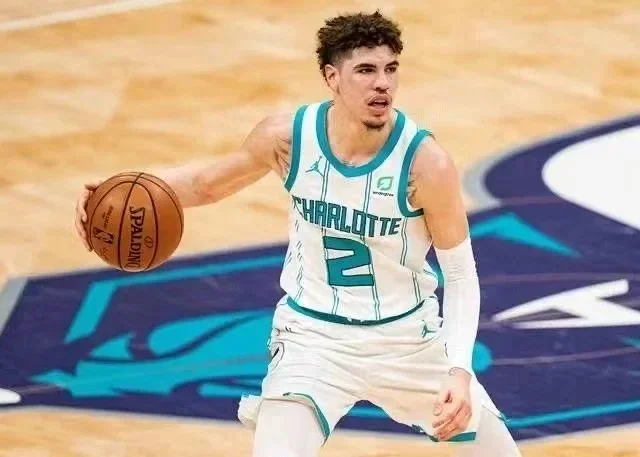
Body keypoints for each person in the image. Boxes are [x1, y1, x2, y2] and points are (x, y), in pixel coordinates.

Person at [74, 10, 521, 457]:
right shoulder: (288, 138)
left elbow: (460, 275)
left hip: (407, 342)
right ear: (332, 77)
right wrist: (114, 192)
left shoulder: (426, 164)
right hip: (313, 339)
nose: (382, 83)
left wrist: (458, 370)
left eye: (390, 69)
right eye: (366, 70)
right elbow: (204, 184)